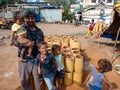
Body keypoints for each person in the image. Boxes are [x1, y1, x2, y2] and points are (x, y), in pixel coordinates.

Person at [18, 11, 44, 90]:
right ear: (25, 19)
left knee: (38, 79)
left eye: (32, 18)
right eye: (28, 18)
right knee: (24, 79)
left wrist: (42, 56)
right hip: (24, 59)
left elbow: (41, 44)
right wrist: (26, 45)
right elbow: (16, 42)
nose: (30, 20)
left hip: (36, 58)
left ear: (35, 19)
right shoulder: (21, 29)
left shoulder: (39, 31)